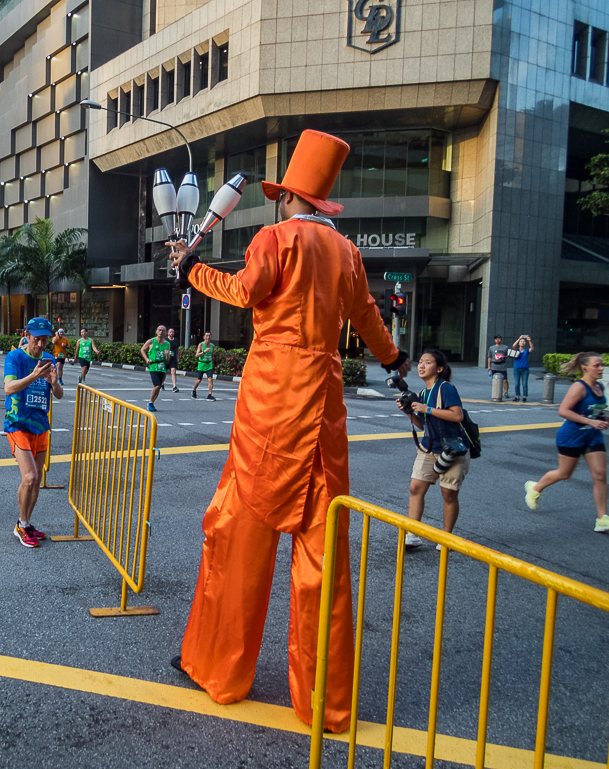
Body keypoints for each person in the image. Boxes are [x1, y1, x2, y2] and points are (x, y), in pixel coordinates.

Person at [166, 129, 407, 731]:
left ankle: (220, 668)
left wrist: (193, 270)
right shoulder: (347, 253)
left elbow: (247, 292)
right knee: (325, 552)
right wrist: (397, 365)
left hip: (272, 399)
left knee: (238, 533)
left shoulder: (274, 238)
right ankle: (324, 703)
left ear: (284, 197)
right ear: (321, 200)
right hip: (323, 405)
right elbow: (368, 318)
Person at [525, 352, 608, 532]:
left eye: (602, 365)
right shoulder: (579, 387)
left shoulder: (599, 387)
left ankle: (602, 519)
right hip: (571, 436)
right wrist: (590, 421)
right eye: (597, 365)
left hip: (592, 435)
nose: (601, 368)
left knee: (600, 474)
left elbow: (595, 410)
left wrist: (603, 419)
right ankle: (535, 487)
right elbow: (563, 410)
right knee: (564, 473)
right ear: (584, 368)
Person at [397, 349, 469, 549]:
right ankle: (413, 533)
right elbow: (422, 425)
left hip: (452, 448)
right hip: (429, 447)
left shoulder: (446, 388)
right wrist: (409, 412)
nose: (421, 365)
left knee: (448, 494)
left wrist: (426, 408)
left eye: (427, 362)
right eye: (420, 362)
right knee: (415, 488)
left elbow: (457, 416)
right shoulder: (423, 393)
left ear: (439, 369)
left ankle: (446, 538)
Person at [3, 317, 63, 547]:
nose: (40, 344)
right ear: (26, 335)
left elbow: (58, 394)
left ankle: (27, 524)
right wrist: (33, 377)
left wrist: (54, 382)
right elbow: (8, 388)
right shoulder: (15, 357)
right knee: (29, 477)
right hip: (17, 422)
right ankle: (21, 524)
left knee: (36, 480)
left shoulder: (49, 359)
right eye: (36, 339)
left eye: (45, 340)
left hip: (41, 425)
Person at [140, 325, 171, 412]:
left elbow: (167, 359)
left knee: (159, 386)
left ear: (165, 333)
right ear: (156, 331)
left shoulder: (167, 344)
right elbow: (142, 350)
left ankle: (152, 402)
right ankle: (150, 402)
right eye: (159, 330)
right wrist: (147, 359)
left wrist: (167, 354)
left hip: (162, 366)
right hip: (153, 366)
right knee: (157, 385)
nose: (161, 332)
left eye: (163, 330)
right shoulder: (151, 341)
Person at [191, 331, 216, 401]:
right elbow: (197, 355)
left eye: (209, 336)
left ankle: (209, 394)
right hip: (201, 364)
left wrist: (212, 363)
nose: (208, 337)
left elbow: (212, 355)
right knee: (199, 380)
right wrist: (204, 352)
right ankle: (194, 390)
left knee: (210, 379)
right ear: (204, 337)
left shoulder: (212, 346)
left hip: (209, 364)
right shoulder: (201, 345)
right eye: (207, 336)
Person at [487, 334, 510, 399]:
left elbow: (508, 355)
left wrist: (505, 356)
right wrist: (489, 366)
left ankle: (506, 392)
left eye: (499, 339)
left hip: (502, 365)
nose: (498, 340)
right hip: (494, 365)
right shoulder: (491, 348)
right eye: (496, 339)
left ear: (501, 339)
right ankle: (496, 392)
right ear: (495, 340)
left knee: (505, 380)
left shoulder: (505, 347)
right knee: (495, 379)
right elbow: (489, 357)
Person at [511, 334, 533, 402]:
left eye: (523, 341)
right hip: (517, 368)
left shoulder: (526, 351)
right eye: (521, 341)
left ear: (525, 343)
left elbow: (532, 348)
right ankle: (517, 396)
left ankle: (524, 397)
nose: (522, 342)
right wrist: (519, 338)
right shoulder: (516, 350)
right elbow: (513, 346)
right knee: (517, 383)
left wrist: (529, 341)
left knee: (524, 384)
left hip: (525, 369)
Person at [167, 328, 181, 393]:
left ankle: (174, 386)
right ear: (168, 333)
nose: (172, 333)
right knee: (164, 372)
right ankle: (161, 384)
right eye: (170, 332)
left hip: (173, 359)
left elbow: (177, 350)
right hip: (166, 358)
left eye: (173, 332)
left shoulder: (176, 340)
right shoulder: (165, 340)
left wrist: (177, 358)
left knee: (173, 371)